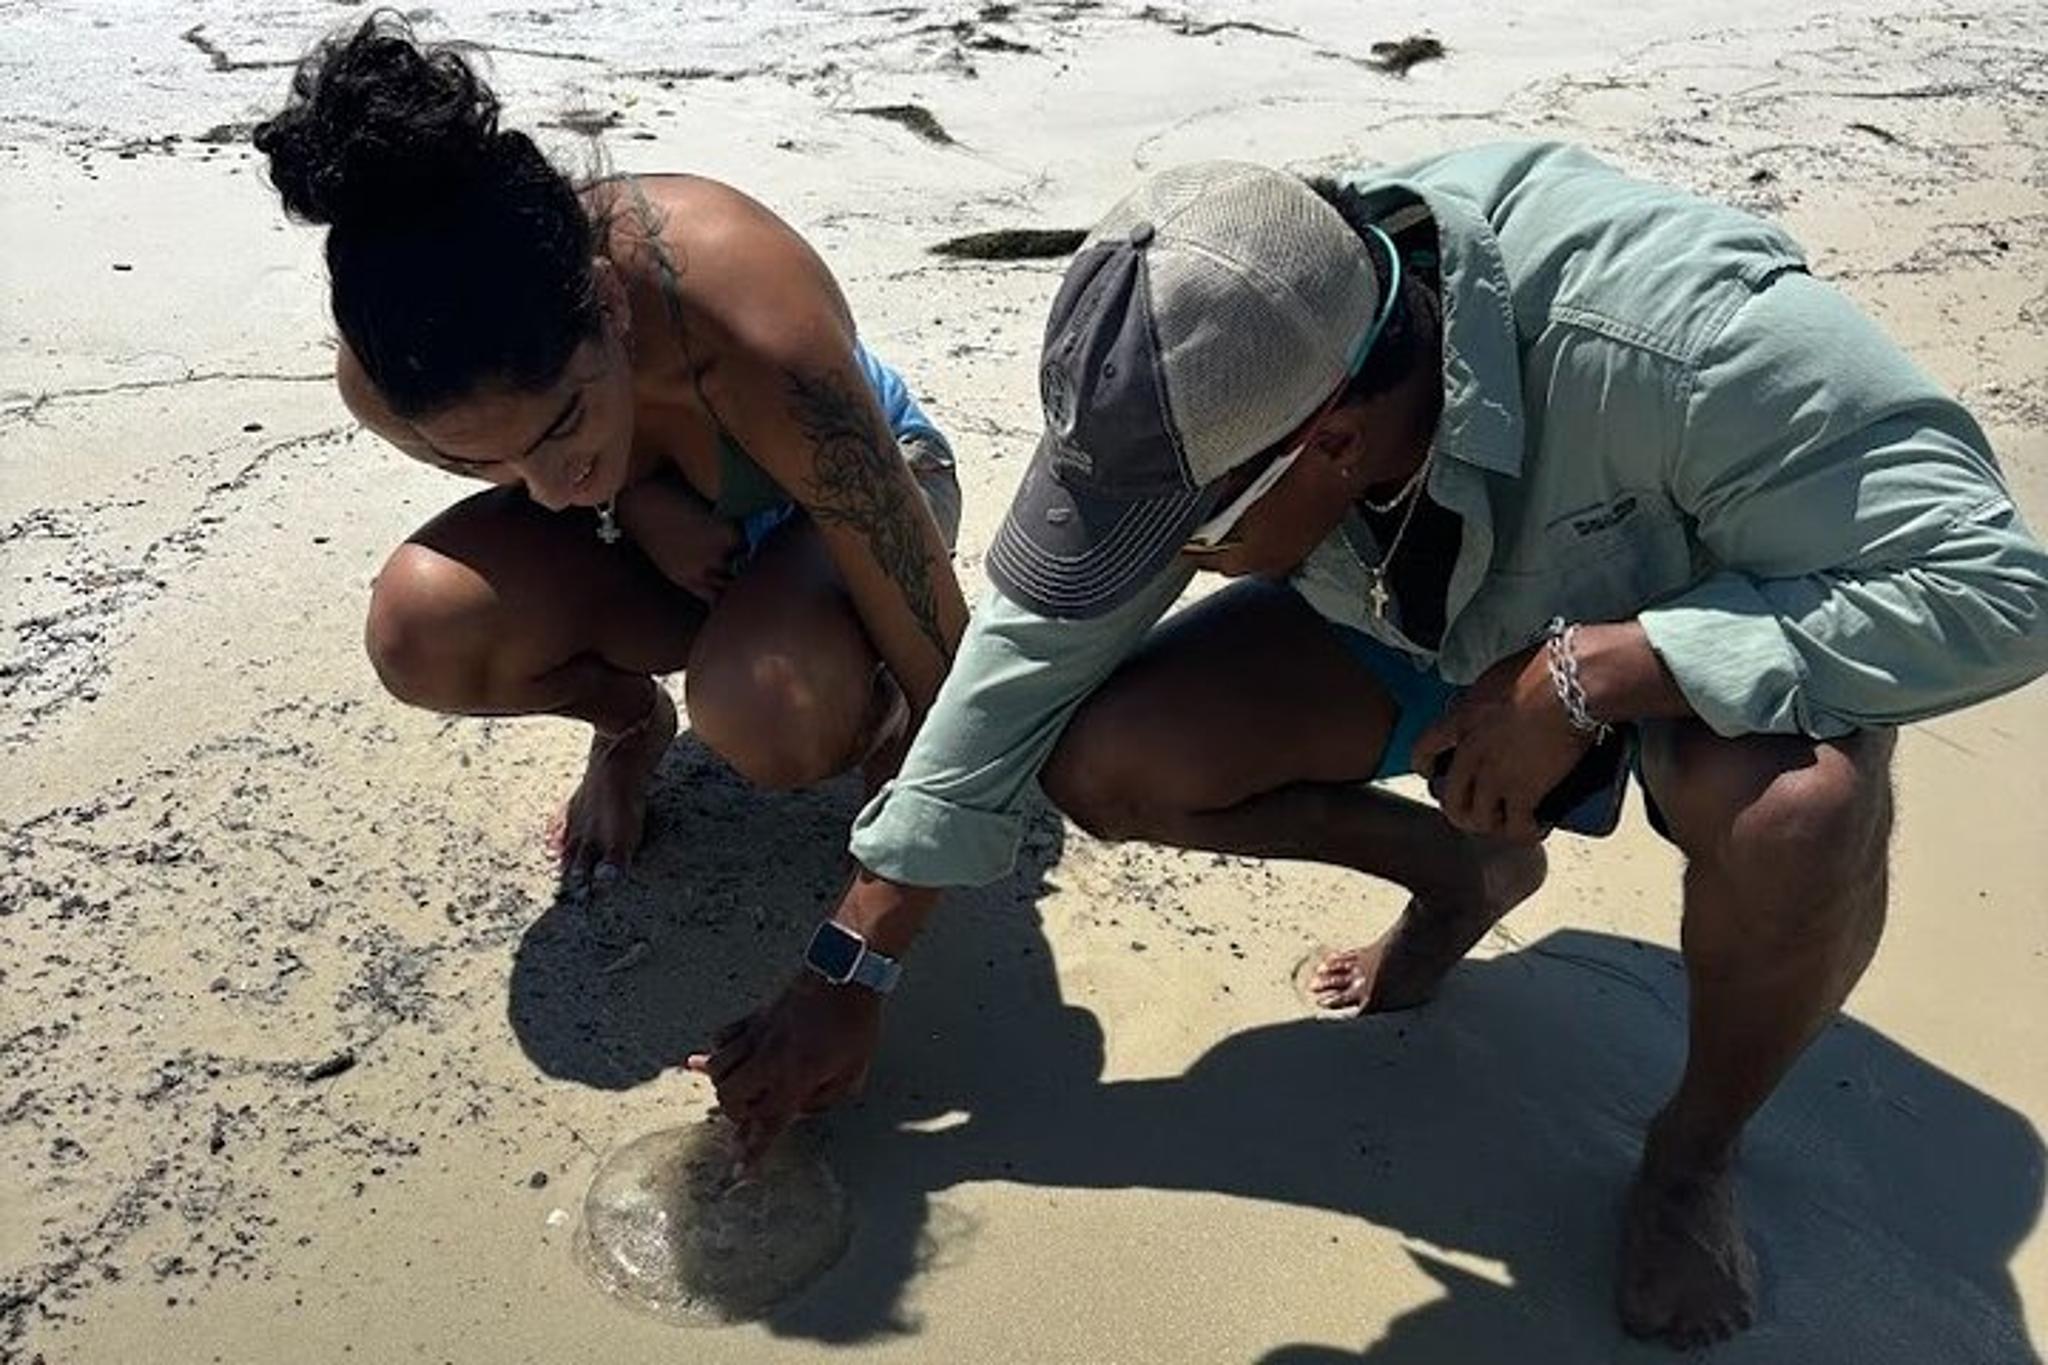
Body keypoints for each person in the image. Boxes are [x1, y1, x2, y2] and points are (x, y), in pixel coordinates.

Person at [689, 145, 2048, 1347]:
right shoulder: (1233, 310)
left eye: (1184, 531)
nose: (1167, 560)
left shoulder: (1678, 342)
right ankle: (1467, 874)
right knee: (1106, 753)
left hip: (1675, 657)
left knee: (1793, 818)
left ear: (1332, 439)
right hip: (1420, 621)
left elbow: (1999, 589)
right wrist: (853, 955)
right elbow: (1028, 658)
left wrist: (1605, 669)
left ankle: (1695, 1153)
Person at [254, 15, 967, 880]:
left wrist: (884, 914)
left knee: (773, 712)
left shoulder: (744, 316)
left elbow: (921, 607)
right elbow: (551, 489)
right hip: (671, 549)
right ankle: (630, 721)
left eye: (561, 427)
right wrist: (627, 497)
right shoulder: (389, 382)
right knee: (419, 626)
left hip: (853, 497)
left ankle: (869, 709)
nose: (548, 492)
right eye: (488, 461)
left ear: (609, 305)